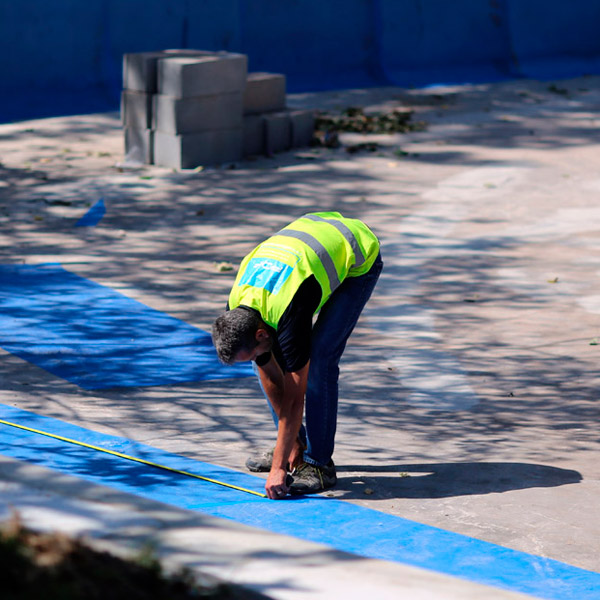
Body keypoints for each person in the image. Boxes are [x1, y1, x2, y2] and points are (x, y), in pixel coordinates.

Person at [212, 211, 382, 499]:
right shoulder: (238, 305)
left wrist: (277, 468)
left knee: (319, 363)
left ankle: (319, 466)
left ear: (261, 334)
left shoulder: (290, 308)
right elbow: (265, 367)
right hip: (307, 245)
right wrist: (289, 446)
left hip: (358, 252)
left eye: (253, 352)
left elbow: (295, 393)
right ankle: (296, 445)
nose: (256, 359)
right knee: (269, 363)